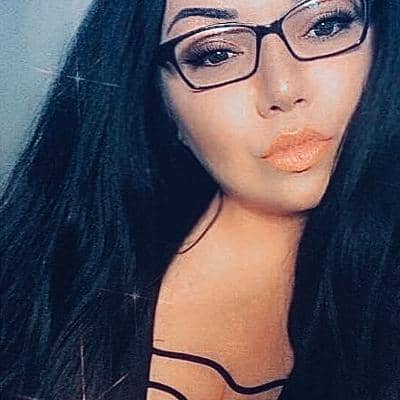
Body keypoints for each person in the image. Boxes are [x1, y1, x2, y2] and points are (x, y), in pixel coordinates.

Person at [1, 0, 399, 399]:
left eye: (324, 26)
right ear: (160, 102)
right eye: (216, 53)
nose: (282, 89)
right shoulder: (40, 301)